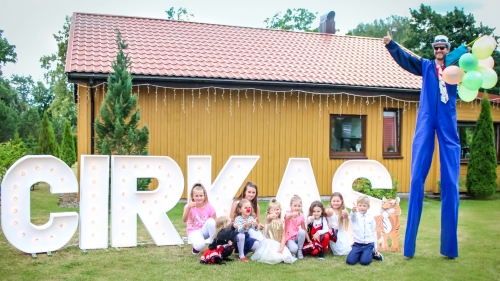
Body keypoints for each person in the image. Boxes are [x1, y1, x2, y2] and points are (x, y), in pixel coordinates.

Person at [383, 32, 468, 259]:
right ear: (433, 49)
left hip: (447, 118)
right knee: (417, 177)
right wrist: (392, 45)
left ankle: (449, 249)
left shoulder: (455, 66)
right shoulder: (427, 66)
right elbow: (407, 60)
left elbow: (466, 57)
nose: (439, 51)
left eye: (443, 48)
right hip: (427, 116)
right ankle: (409, 247)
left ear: (447, 49)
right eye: (436, 47)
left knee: (450, 180)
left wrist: (466, 50)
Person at [251, 198, 297, 264]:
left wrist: (282, 247)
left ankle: (282, 254)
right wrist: (271, 216)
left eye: (277, 209)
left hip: (278, 244)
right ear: (269, 211)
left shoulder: (282, 222)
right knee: (274, 257)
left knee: (286, 256)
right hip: (269, 244)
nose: (275, 211)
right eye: (273, 210)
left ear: (280, 210)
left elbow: (283, 236)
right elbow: (269, 218)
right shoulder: (268, 219)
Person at [346, 196, 383, 266]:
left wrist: (376, 247)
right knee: (350, 261)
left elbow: (373, 232)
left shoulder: (371, 218)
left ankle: (372, 253)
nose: (362, 208)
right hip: (357, 244)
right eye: (360, 205)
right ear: (357, 206)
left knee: (364, 262)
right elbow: (352, 217)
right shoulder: (355, 216)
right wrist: (353, 211)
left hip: (368, 244)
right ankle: (361, 254)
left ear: (368, 207)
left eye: (364, 206)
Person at [183, 183, 217, 255]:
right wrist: (188, 208)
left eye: (201, 195)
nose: (199, 198)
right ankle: (196, 248)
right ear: (192, 197)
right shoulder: (188, 206)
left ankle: (213, 246)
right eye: (196, 196)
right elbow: (184, 220)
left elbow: (215, 222)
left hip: (204, 230)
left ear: (204, 196)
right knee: (200, 245)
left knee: (211, 221)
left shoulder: (209, 207)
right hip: (193, 231)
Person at [284, 195, 309, 259]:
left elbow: (304, 228)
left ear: (301, 206)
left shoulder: (301, 216)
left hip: (296, 236)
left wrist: (308, 239)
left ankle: (299, 250)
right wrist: (292, 214)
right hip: (289, 237)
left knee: (302, 231)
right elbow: (287, 217)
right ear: (290, 205)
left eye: (299, 206)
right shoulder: (288, 213)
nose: (297, 208)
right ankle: (291, 250)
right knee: (294, 248)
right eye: (295, 206)